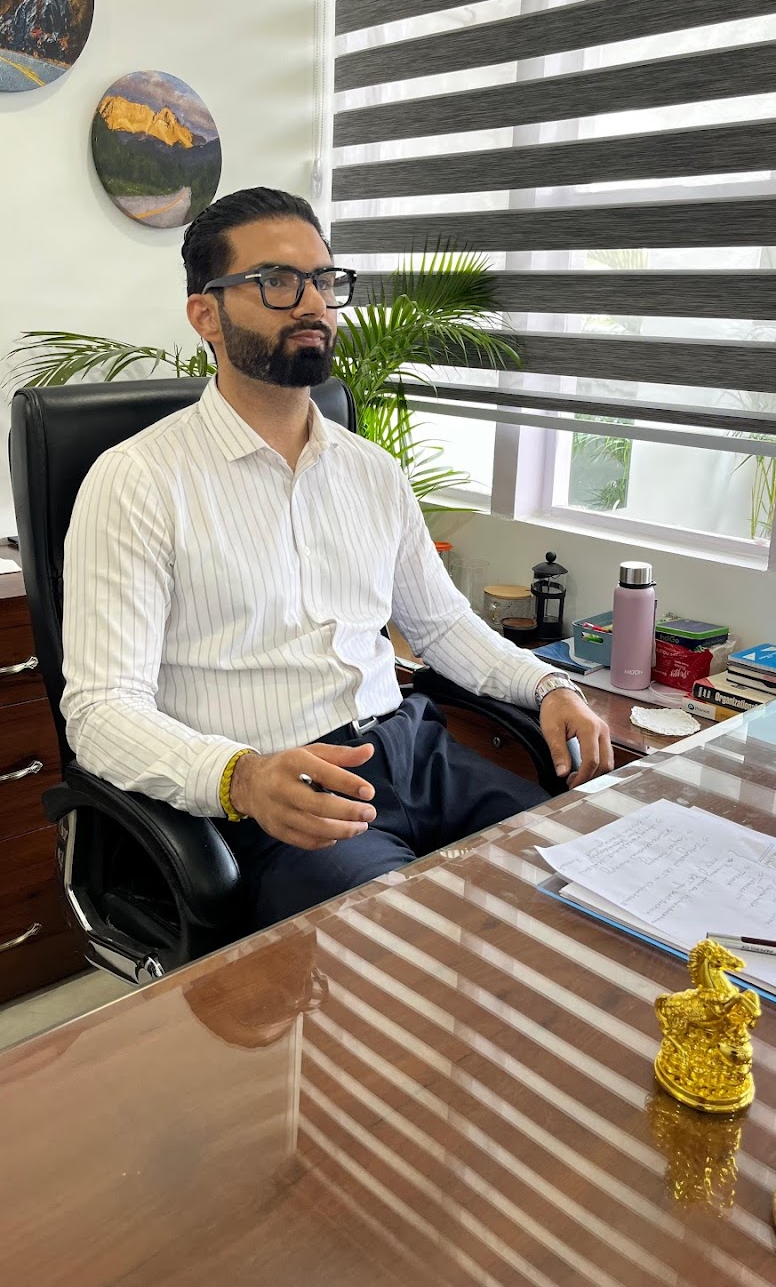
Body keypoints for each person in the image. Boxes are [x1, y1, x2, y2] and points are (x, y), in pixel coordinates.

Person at [61, 187, 613, 931]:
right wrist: (240, 778)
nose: (313, 303)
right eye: (278, 282)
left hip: (413, 754)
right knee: (404, 946)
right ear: (205, 315)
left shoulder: (371, 471)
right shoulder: (138, 482)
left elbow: (443, 625)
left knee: (581, 878)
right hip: (282, 792)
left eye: (324, 280)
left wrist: (548, 686)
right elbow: (100, 711)